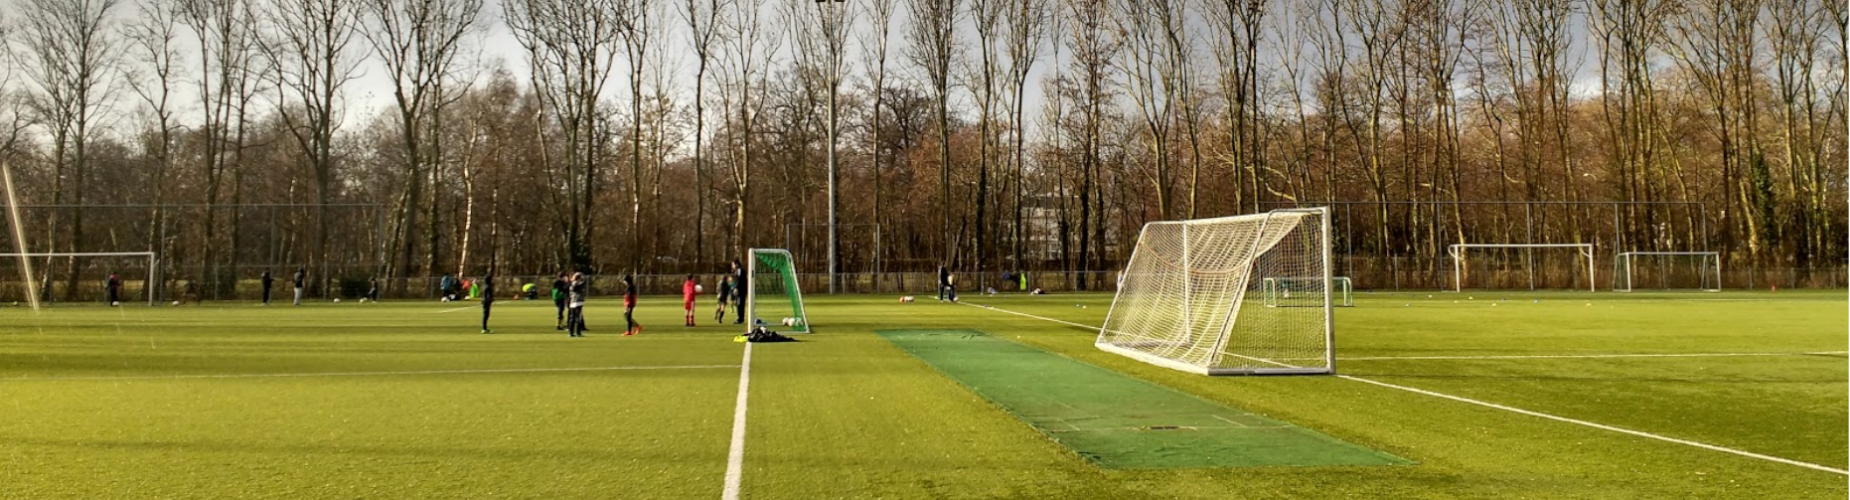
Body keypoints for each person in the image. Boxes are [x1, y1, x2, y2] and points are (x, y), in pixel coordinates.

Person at [566, 272, 588, 337]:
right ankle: (578, 333)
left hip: (572, 302)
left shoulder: (572, 283)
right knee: (578, 318)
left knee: (572, 318)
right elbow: (580, 285)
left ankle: (571, 332)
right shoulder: (576, 284)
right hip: (577, 302)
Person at [731, 259, 748, 325]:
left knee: (740, 304)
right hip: (741, 290)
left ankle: (740, 319)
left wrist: (736, 288)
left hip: (740, 291)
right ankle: (740, 318)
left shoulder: (739, 270)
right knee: (739, 304)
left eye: (733, 264)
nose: (732, 266)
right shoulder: (738, 270)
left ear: (736, 264)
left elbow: (739, 280)